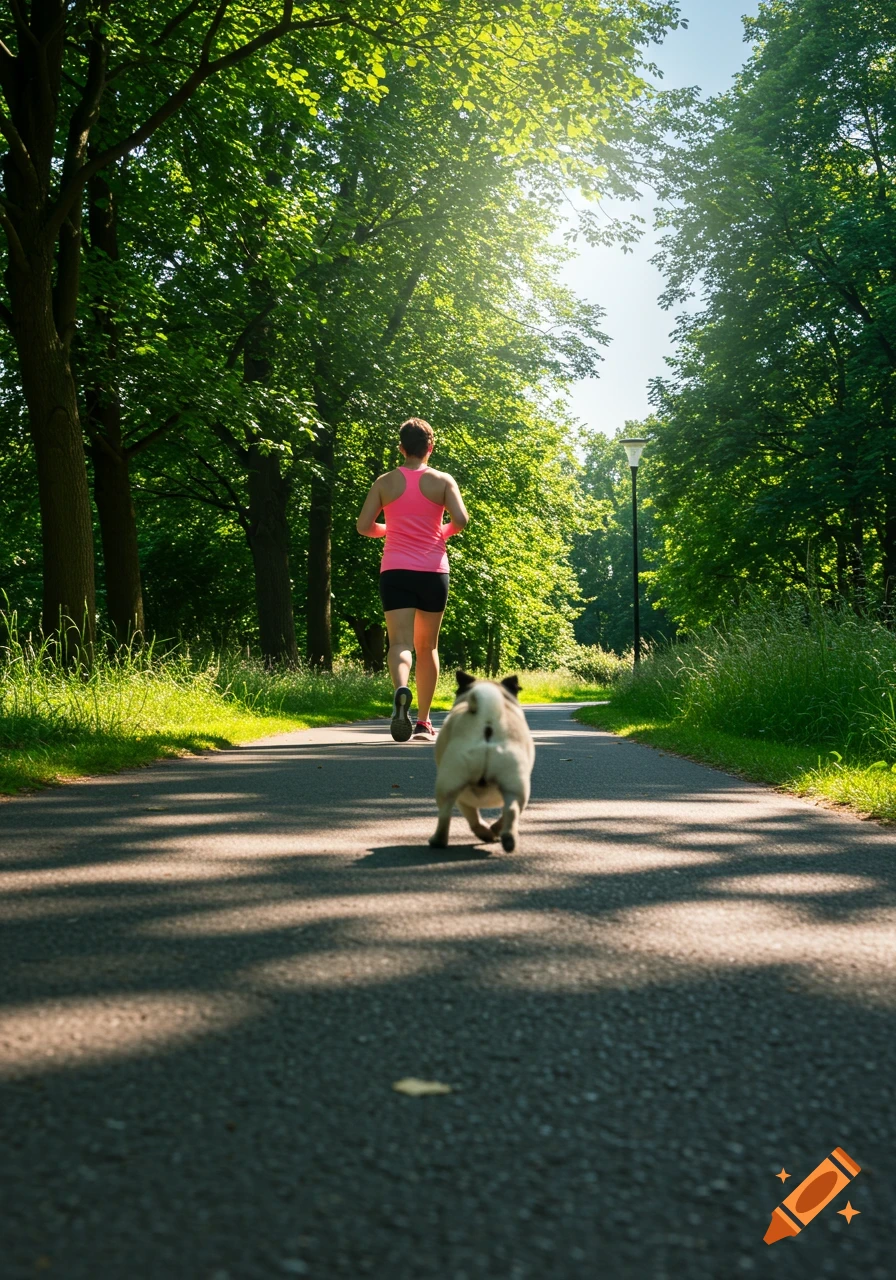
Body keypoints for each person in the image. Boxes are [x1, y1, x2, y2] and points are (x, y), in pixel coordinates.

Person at [356, 418, 469, 741]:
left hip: (395, 571)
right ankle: (422, 722)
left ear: (402, 448)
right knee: (427, 646)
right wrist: (440, 533)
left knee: (401, 643)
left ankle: (401, 688)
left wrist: (390, 530)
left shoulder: (385, 483)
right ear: (429, 447)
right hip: (434, 572)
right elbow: (461, 520)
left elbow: (364, 527)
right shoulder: (442, 481)